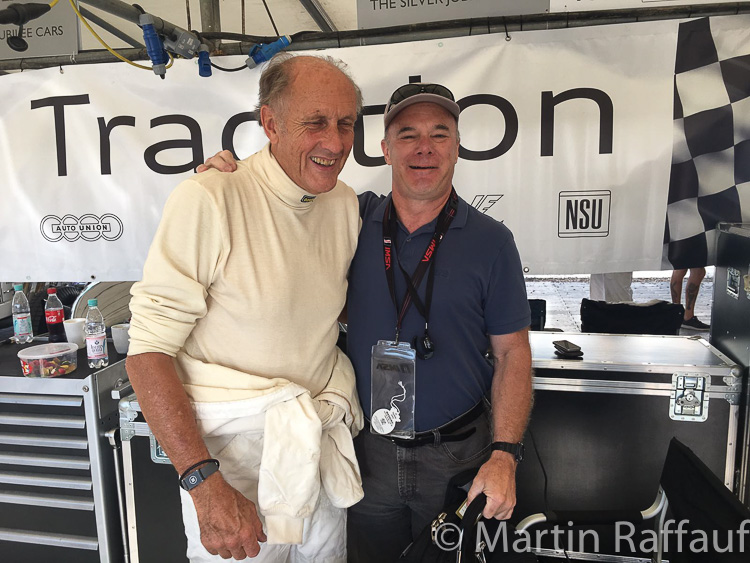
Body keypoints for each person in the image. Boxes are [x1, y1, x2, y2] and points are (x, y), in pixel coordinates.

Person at [201, 82, 533, 562]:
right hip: (367, 454)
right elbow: (276, 206)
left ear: (458, 147)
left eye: (439, 134)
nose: (424, 148)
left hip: (458, 453)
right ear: (384, 149)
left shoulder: (492, 242)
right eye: (407, 135)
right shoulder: (347, 218)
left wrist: (505, 454)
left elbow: (512, 352)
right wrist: (232, 182)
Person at [126, 54, 365, 563]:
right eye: (315, 123)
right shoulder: (209, 198)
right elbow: (147, 354)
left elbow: (320, 308)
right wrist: (202, 484)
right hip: (231, 470)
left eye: (345, 124)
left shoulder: (344, 203)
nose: (336, 142)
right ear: (270, 124)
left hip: (315, 451)